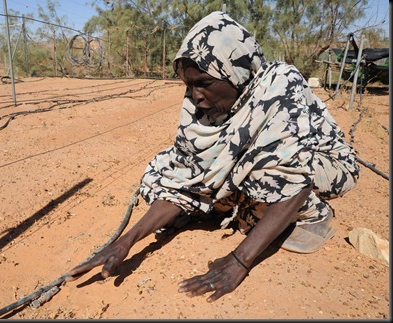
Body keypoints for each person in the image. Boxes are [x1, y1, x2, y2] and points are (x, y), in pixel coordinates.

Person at [67, 11, 359, 302]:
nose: (195, 96)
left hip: (321, 165)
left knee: (258, 170)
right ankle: (239, 204)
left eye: (204, 83)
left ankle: (308, 215)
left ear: (235, 73)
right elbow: (185, 173)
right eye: (189, 84)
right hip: (258, 168)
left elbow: (294, 173)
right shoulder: (201, 104)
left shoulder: (279, 85)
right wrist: (125, 242)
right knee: (164, 168)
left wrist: (239, 261)